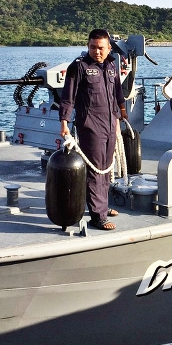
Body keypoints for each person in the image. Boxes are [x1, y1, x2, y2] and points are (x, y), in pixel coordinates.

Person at [59, 29, 127, 231]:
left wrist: (121, 113)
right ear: (88, 46)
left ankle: (102, 206)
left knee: (106, 168)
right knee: (96, 169)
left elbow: (117, 92)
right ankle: (98, 217)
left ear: (109, 48)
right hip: (91, 125)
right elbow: (68, 97)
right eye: (93, 47)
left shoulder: (112, 66)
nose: (97, 51)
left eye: (101, 48)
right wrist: (64, 121)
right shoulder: (79, 67)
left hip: (110, 123)